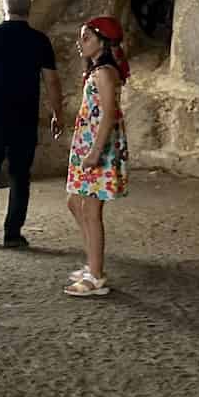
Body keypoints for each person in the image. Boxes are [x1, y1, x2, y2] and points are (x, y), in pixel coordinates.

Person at [0, 0, 64, 248]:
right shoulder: (39, 40)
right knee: (20, 174)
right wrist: (57, 113)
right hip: (25, 116)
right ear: (28, 10)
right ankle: (12, 233)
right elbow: (51, 80)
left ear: (4, 8)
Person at [65, 16, 130, 297]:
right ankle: (92, 262)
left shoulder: (104, 73)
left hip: (97, 149)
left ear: (102, 42)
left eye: (87, 38)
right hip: (87, 145)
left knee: (91, 212)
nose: (80, 43)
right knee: (74, 203)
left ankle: (96, 275)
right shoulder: (97, 70)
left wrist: (94, 152)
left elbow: (107, 116)